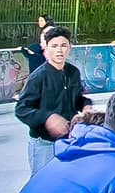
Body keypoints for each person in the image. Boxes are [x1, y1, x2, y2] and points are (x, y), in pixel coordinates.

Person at [15, 26, 85, 176]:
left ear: (69, 47)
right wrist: (47, 118)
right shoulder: (38, 76)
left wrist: (86, 106)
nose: (59, 50)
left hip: (69, 141)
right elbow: (22, 109)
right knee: (42, 187)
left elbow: (77, 98)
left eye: (63, 45)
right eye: (54, 46)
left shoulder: (73, 72)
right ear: (45, 48)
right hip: (44, 144)